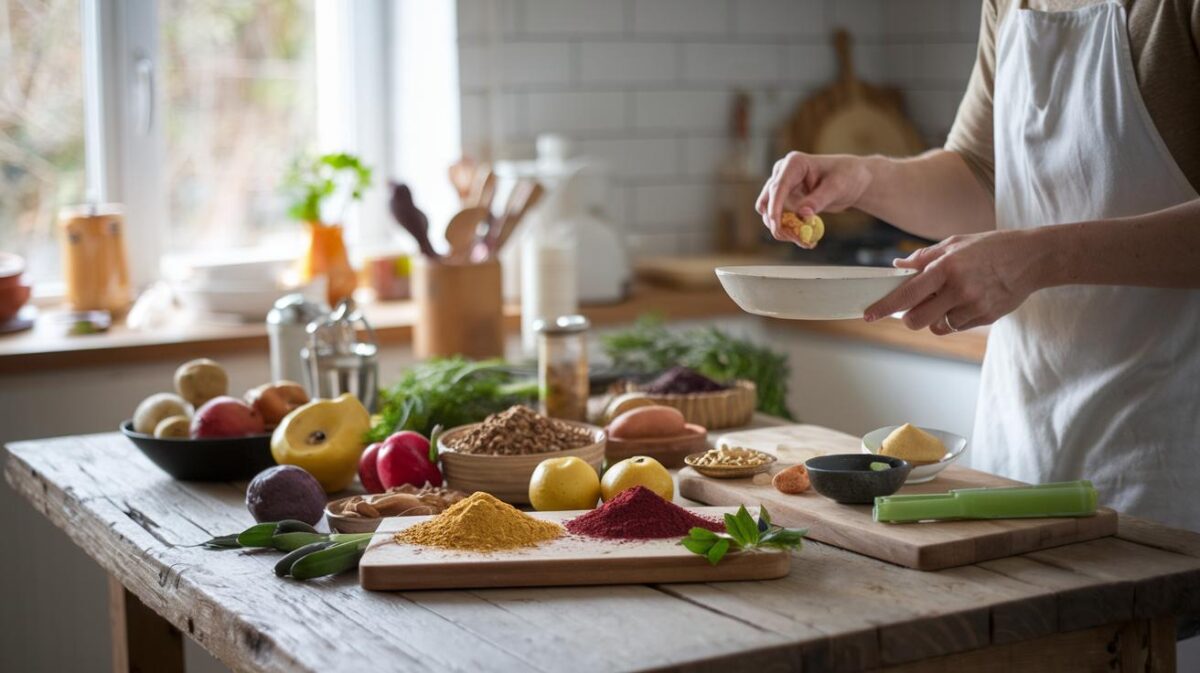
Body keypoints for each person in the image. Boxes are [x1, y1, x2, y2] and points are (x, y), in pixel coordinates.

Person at [756, 0, 1200, 532]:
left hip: (1165, 445)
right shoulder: (1007, 5)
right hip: (1021, 433)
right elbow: (981, 175)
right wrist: (865, 180)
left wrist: (1040, 258)